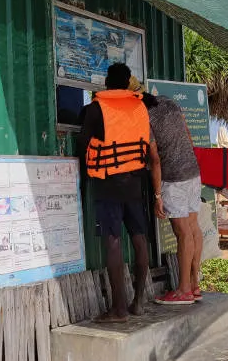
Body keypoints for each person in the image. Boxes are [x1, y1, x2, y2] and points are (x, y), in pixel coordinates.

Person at [77, 63, 160, 322]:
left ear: (106, 82)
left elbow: (83, 148)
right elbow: (149, 149)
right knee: (139, 239)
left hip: (108, 184)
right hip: (136, 184)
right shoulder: (139, 107)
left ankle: (119, 309)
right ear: (127, 83)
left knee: (112, 240)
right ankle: (138, 302)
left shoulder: (94, 109)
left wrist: (81, 180)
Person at [131, 79, 203, 305]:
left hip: (174, 179)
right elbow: (188, 136)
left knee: (182, 233)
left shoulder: (143, 117)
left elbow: (155, 159)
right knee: (193, 229)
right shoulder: (169, 103)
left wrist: (158, 196)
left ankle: (182, 291)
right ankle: (193, 284)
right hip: (193, 171)